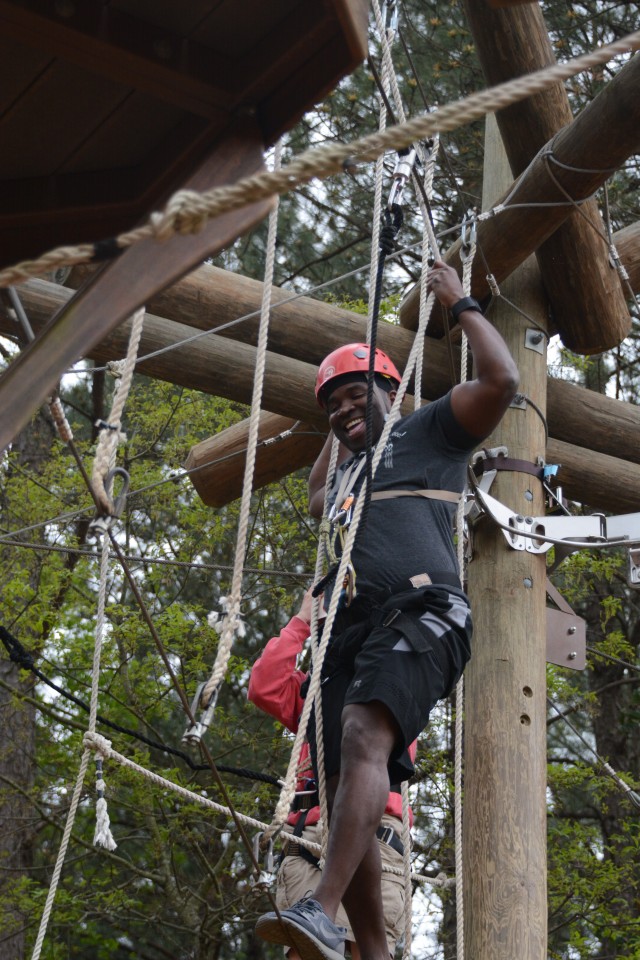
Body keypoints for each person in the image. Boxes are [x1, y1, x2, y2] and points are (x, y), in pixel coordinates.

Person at [255, 260, 519, 960]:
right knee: (341, 773)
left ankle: (322, 905)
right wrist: (334, 420)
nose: (344, 409)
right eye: (331, 404)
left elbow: (502, 382)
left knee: (367, 737)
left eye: (356, 395)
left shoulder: (428, 432)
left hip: (425, 606)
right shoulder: (344, 476)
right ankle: (369, 948)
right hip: (361, 626)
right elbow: (316, 498)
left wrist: (458, 300)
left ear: (390, 389)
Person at [248, 587, 414, 960]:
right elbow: (265, 686)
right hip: (309, 841)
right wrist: (303, 621)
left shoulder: (397, 689)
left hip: (376, 840)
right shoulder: (317, 696)